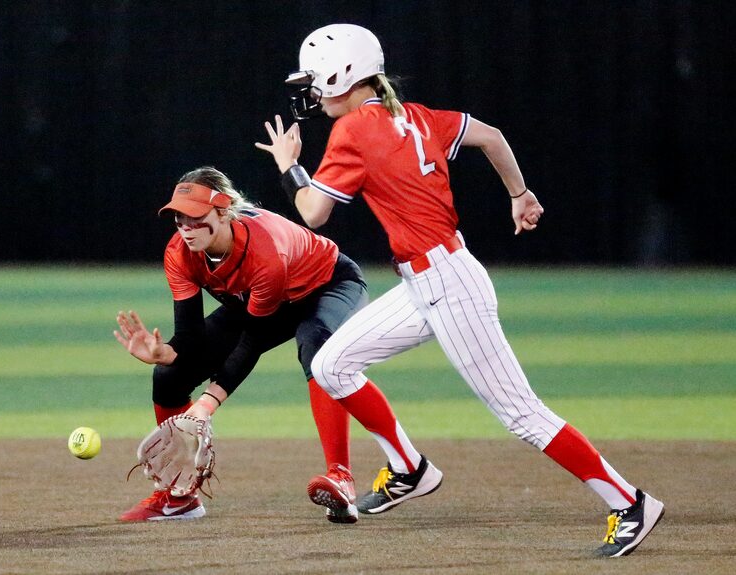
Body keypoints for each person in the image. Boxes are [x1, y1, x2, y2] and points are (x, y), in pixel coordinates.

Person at [256, 23, 664, 557]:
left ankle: (628, 501)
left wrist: (290, 167)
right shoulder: (416, 115)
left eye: (316, 81)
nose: (312, 91)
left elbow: (314, 214)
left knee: (521, 413)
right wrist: (520, 193)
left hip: (449, 286)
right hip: (427, 279)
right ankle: (409, 468)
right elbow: (491, 136)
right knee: (332, 366)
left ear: (343, 75)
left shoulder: (353, 130)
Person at [113, 165, 369, 523]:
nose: (185, 228)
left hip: (327, 285)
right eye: (178, 219)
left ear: (224, 210)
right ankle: (180, 498)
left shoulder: (264, 251)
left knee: (317, 348)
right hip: (260, 302)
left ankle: (341, 477)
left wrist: (208, 402)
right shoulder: (180, 252)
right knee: (168, 376)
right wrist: (166, 352)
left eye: (195, 217)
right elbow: (189, 339)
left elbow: (253, 341)